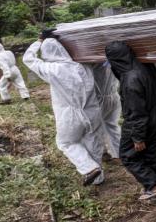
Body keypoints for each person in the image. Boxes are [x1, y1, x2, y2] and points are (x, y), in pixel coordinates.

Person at [23, 29, 105, 186]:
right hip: (91, 111)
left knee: (66, 143)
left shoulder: (51, 69)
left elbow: (28, 59)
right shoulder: (82, 66)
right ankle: (98, 178)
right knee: (93, 142)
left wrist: (39, 41)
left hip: (70, 115)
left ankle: (89, 168)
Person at [105, 41, 156, 200]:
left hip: (139, 123)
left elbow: (136, 112)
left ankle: (153, 185)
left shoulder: (130, 80)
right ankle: (153, 190)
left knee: (127, 156)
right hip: (155, 117)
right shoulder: (146, 65)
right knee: (150, 155)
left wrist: (137, 137)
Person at [91, 63, 122, 160]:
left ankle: (102, 152)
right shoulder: (113, 59)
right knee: (112, 125)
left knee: (94, 128)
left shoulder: (93, 60)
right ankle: (119, 152)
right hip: (113, 96)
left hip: (98, 99)